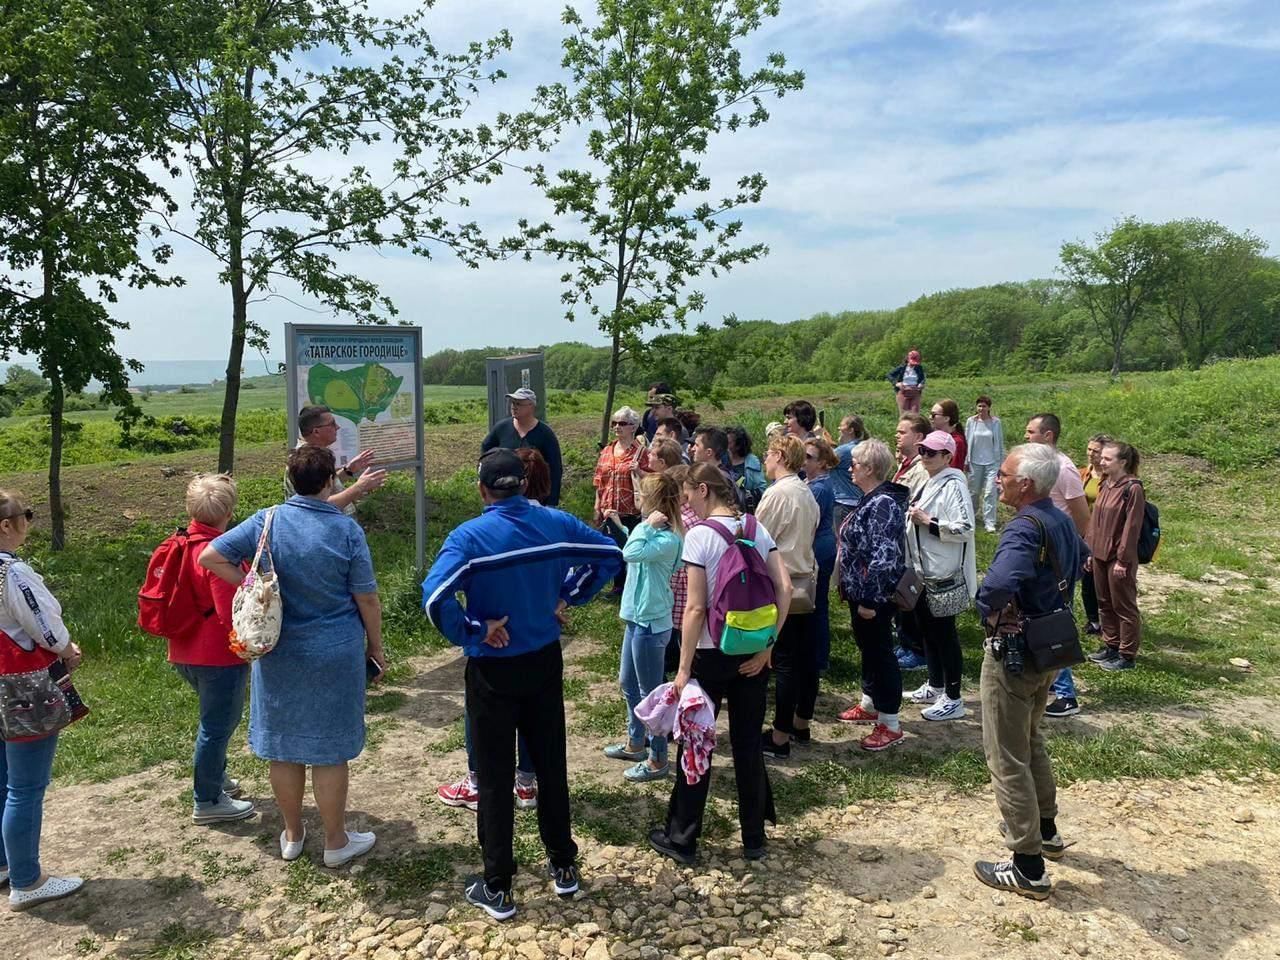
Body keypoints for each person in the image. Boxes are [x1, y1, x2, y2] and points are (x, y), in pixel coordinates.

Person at [422, 449, 622, 920]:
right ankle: (563, 866)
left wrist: (474, 628)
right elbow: (611, 554)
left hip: (494, 666)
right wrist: (568, 594)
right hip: (544, 659)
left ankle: (497, 886)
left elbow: (434, 597)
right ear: (525, 482)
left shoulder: (469, 537)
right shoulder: (555, 523)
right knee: (550, 763)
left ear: (482, 489)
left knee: (494, 776)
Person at [201, 445, 385, 869]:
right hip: (335, 651)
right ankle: (336, 841)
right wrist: (375, 647)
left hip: (277, 648)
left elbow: (209, 556)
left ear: (291, 480)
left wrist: (251, 581)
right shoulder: (345, 531)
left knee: (282, 747)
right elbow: (367, 598)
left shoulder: (267, 520)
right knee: (329, 750)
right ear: (329, 482)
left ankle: (292, 834)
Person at [649, 463, 792, 866]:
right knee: (748, 745)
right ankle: (754, 838)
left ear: (704, 490)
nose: (686, 501)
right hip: (751, 650)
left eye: (689, 493)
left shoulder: (700, 536)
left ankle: (683, 837)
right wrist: (768, 645)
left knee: (695, 746)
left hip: (711, 652)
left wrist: (682, 668)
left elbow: (695, 607)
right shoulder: (754, 527)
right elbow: (785, 587)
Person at [973, 443, 1082, 900]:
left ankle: (1027, 866)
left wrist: (985, 610)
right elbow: (1081, 560)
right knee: (1031, 738)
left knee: (1006, 755)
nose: (997, 479)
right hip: (1047, 646)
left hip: (1014, 651)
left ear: (1026, 484)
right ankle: (1048, 829)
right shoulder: (1059, 518)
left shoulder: (1022, 528)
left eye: (1003, 474)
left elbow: (998, 584)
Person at [0, 490, 85, 910]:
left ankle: (5, 862)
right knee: (26, 787)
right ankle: (28, 880)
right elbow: (45, 626)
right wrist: (67, 649)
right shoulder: (13, 574)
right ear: (6, 525)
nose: (28, 522)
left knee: (2, 778)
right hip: (20, 689)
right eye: (25, 515)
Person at [169, 474, 254, 825]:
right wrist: (251, 644)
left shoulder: (181, 541)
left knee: (214, 722)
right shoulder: (219, 554)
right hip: (218, 655)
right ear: (229, 511)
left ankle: (216, 777)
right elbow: (228, 613)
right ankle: (207, 799)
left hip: (183, 649)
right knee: (217, 725)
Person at [604, 473, 685, 782]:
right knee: (628, 683)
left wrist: (644, 527)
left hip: (652, 623)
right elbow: (637, 549)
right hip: (635, 619)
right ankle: (635, 742)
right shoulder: (652, 534)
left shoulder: (668, 539)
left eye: (641, 494)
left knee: (651, 694)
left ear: (655, 503)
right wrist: (624, 527)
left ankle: (658, 758)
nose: (636, 498)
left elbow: (632, 553)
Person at [834, 440, 908, 751]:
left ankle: (890, 722)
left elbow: (884, 555)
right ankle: (869, 701)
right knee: (868, 648)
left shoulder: (882, 504)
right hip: (859, 592)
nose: (850, 468)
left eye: (855, 464)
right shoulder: (870, 498)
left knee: (880, 653)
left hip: (873, 597)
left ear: (870, 469)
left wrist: (870, 600)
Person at [904, 432, 977, 721]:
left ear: (948, 456)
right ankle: (935, 685)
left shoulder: (954, 485)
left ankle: (954, 697)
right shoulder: (929, 480)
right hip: (925, 571)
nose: (925, 455)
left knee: (946, 636)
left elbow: (965, 528)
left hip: (943, 574)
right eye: (922, 450)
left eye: (932, 452)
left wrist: (929, 522)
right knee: (928, 632)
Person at [757, 436, 820, 760]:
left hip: (780, 584)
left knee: (782, 663)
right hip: (804, 582)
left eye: (768, 453)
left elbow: (757, 539)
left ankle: (779, 737)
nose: (764, 458)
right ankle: (799, 723)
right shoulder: (805, 491)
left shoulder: (778, 494)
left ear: (780, 456)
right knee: (801, 659)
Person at [1024, 414, 1090, 719]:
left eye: (1031, 431)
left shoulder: (1064, 469)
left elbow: (1081, 514)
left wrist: (1077, 550)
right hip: (1042, 553)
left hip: (1058, 556)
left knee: (1056, 620)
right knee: (1043, 616)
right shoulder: (1041, 467)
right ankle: (1050, 681)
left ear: (1048, 436)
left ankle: (1066, 694)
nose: (1026, 436)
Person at [1085, 441, 1146, 671]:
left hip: (1118, 558)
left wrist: (1123, 559)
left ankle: (1127, 654)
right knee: (1104, 602)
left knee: (1124, 605)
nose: (1102, 461)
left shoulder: (1133, 488)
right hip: (1099, 553)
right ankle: (1110, 645)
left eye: (1108, 459)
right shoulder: (1105, 484)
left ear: (1123, 462)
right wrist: (1089, 551)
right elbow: (1095, 521)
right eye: (1103, 457)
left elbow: (1132, 528)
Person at [593, 406, 653, 594]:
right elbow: (599, 481)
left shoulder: (642, 453)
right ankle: (617, 585)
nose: (617, 427)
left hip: (631, 512)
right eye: (614, 423)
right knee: (611, 550)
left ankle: (631, 585)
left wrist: (640, 471)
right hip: (608, 510)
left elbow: (653, 481)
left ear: (633, 427)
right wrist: (597, 506)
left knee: (629, 550)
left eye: (622, 423)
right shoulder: (607, 450)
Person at [288, 405, 387, 515]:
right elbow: (316, 506)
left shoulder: (313, 455)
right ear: (316, 432)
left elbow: (321, 486)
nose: (337, 427)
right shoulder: (306, 462)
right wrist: (358, 488)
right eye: (332, 424)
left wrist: (348, 470)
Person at [892, 415, 931, 671]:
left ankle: (916, 650)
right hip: (898, 540)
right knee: (901, 595)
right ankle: (905, 643)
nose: (897, 435)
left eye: (902, 432)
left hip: (911, 543)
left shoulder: (922, 470)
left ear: (918, 438)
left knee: (911, 594)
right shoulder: (905, 464)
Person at [482, 387, 564, 507]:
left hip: (535, 499)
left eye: (519, 404)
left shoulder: (545, 434)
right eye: (513, 403)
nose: (514, 407)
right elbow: (486, 449)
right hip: (505, 496)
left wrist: (551, 502)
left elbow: (555, 470)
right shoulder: (501, 428)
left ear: (531, 406)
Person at [803, 438, 839, 699]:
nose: (804, 460)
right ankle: (818, 656)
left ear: (823, 463)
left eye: (810, 457)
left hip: (819, 549)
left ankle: (817, 658)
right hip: (821, 546)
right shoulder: (814, 484)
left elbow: (808, 522)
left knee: (817, 605)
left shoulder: (819, 488)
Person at [1077, 434, 1111, 635]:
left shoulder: (1112, 478)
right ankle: (1093, 620)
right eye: (1089, 449)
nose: (1091, 454)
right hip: (1084, 533)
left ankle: (1108, 619)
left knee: (1102, 579)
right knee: (1087, 578)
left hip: (1103, 534)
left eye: (1096, 451)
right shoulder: (1082, 473)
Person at [965, 396, 1005, 534]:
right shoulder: (971, 421)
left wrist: (1001, 464)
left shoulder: (995, 422)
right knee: (973, 492)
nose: (981, 409)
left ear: (989, 408)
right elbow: (966, 441)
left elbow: (999, 443)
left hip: (992, 463)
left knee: (990, 493)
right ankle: (970, 517)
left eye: (984, 406)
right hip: (974, 462)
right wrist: (966, 460)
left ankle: (990, 523)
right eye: (979, 406)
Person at [832, 415, 868, 533]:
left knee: (840, 543)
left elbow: (823, 460)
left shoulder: (845, 450)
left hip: (843, 502)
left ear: (850, 430)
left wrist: (818, 438)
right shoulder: (861, 446)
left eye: (841, 426)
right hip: (858, 500)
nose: (838, 429)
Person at [725, 426, 766, 510]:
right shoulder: (721, 459)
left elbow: (761, 489)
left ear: (738, 446)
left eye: (728, 443)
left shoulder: (751, 461)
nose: (723, 445)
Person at [929, 399, 967, 471]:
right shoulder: (934, 436)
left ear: (946, 418)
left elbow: (954, 469)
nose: (930, 417)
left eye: (934, 415)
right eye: (930, 414)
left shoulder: (957, 442)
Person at [888, 349, 926, 414]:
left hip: (915, 392)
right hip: (903, 392)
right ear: (908, 359)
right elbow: (889, 375)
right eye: (912, 361)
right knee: (904, 414)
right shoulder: (902, 367)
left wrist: (921, 384)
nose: (914, 364)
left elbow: (922, 378)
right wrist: (896, 383)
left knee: (915, 414)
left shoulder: (919, 367)